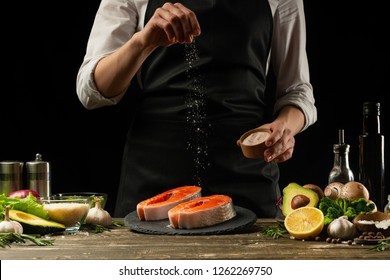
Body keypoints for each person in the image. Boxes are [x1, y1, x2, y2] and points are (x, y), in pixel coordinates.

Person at [76, 0, 317, 218]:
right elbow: (91, 91)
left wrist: (285, 127)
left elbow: (297, 90)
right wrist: (143, 42)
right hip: (155, 174)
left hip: (246, 173)